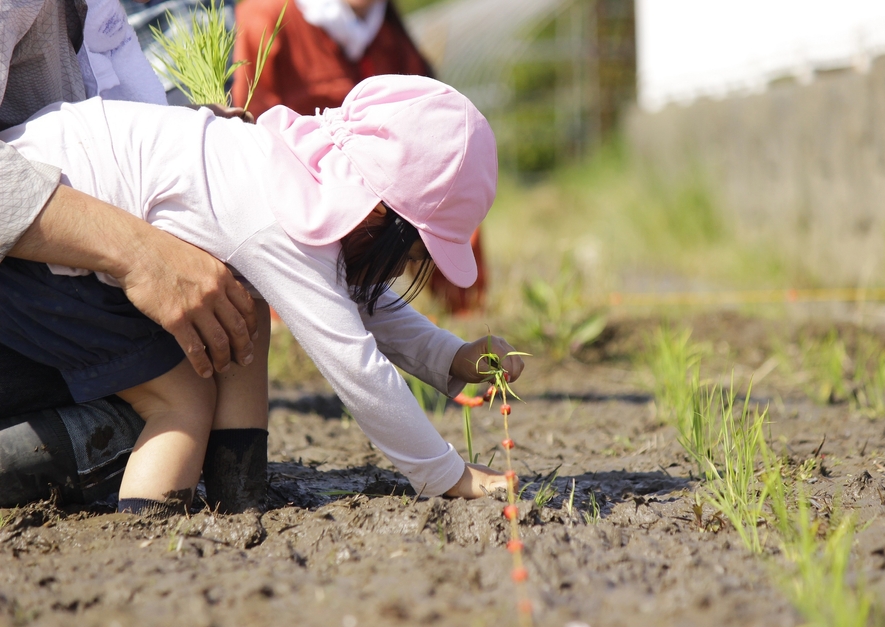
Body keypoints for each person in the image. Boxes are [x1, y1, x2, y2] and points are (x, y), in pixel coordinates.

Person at [0, 74, 524, 514]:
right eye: (414, 252)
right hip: (41, 242)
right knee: (181, 401)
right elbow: (358, 368)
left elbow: (351, 294)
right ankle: (148, 541)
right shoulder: (274, 221)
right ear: (382, 213)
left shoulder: (298, 172)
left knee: (241, 313)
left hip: (55, 212)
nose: (411, 267)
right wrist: (445, 475)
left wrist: (452, 356)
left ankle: (237, 495)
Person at [0, 0, 260, 509]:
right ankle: (151, 530)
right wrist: (141, 254)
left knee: (186, 378)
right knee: (171, 402)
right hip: (28, 287)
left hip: (43, 281)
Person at [232, 0, 487, 314]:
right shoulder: (268, 17)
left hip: (378, 209)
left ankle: (463, 306)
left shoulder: (388, 32)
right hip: (297, 205)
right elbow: (253, 122)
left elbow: (434, 144)